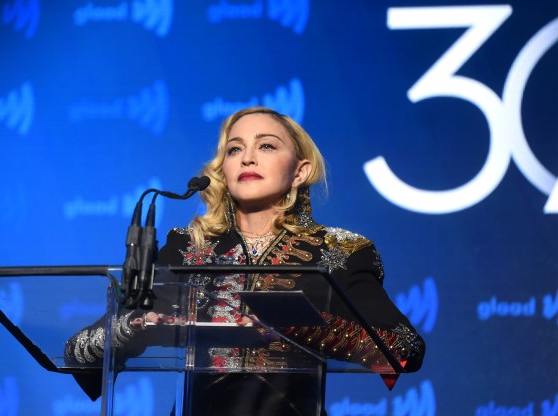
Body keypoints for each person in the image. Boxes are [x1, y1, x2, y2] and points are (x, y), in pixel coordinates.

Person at [65, 106, 425, 415]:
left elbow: (403, 347)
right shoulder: (186, 247)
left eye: (266, 146)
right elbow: (79, 352)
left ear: (299, 171)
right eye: (234, 150)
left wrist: (298, 325)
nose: (247, 157)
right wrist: (136, 327)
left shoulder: (340, 251)